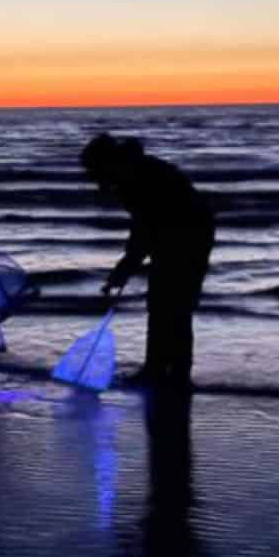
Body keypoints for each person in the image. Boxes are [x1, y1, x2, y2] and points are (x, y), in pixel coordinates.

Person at [80, 132, 215, 389]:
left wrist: (124, 269)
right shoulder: (130, 172)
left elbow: (145, 230)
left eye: (94, 173)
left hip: (192, 233)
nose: (95, 181)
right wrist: (125, 267)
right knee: (160, 303)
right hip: (176, 231)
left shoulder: (136, 179)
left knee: (176, 305)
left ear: (106, 163)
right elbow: (144, 230)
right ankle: (157, 368)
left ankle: (177, 374)